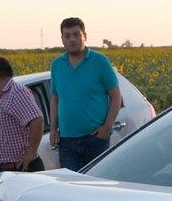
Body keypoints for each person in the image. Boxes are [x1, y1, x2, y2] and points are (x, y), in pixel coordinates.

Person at [49, 17, 121, 170]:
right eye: (67, 36)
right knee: (72, 189)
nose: (72, 39)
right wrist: (53, 129)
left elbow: (116, 97)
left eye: (76, 34)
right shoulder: (57, 65)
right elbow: (55, 98)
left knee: (97, 188)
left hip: (95, 139)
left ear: (85, 36)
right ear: (62, 39)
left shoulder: (100, 62)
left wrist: (107, 127)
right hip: (67, 142)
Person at [0, 55, 45, 172]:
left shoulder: (16, 93)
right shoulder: (2, 96)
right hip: (8, 169)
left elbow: (37, 120)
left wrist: (31, 152)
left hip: (22, 168)